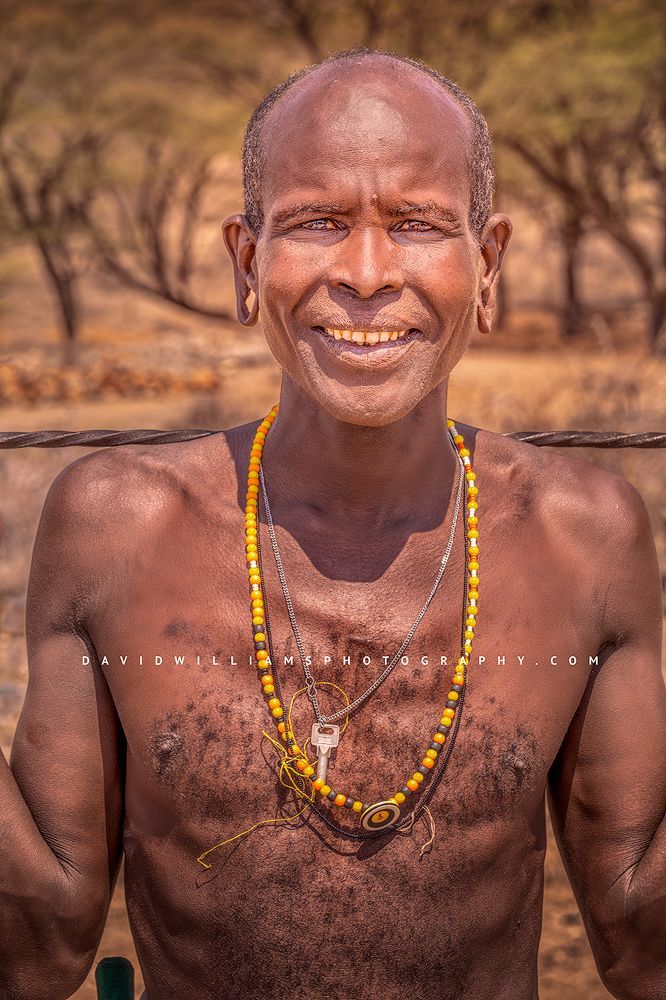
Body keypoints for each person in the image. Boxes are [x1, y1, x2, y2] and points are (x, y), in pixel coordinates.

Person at [1, 47, 664, 1000]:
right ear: (246, 261)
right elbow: (35, 954)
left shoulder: (580, 535)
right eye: (315, 222)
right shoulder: (118, 528)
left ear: (487, 265)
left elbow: (645, 950)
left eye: (418, 225)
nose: (364, 272)